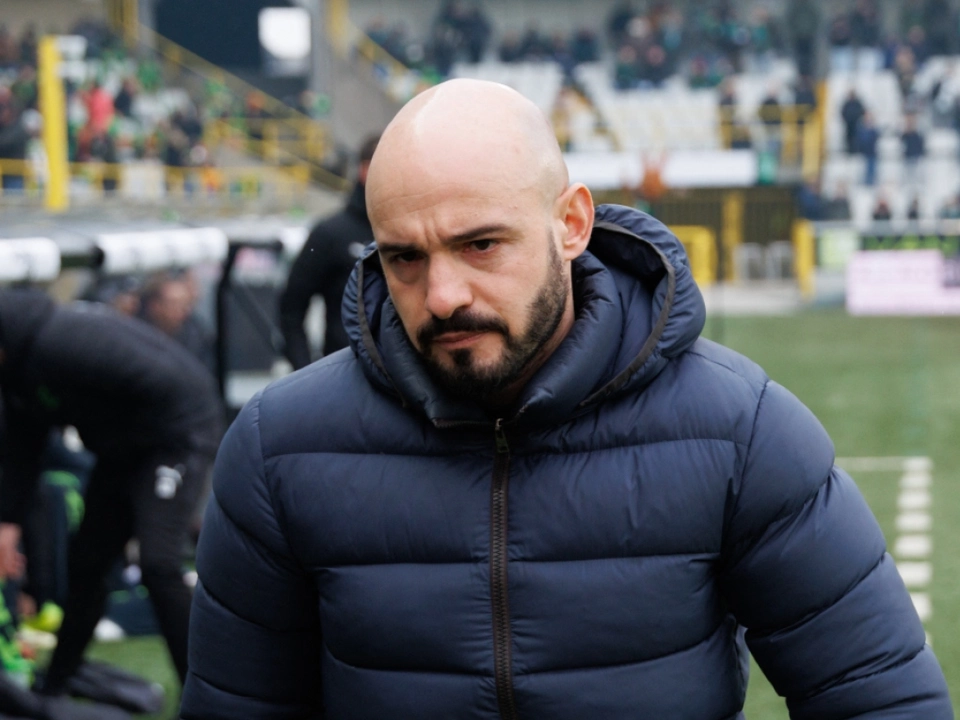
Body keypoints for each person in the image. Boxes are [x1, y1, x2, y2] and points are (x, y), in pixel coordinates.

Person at [181, 79, 952, 719]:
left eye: (481, 244)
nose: (442, 295)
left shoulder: (742, 431)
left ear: (571, 223)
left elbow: (879, 698)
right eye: (404, 258)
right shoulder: (278, 449)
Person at [0, 289, 222, 697]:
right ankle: (57, 684)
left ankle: (208, 694)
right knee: (87, 562)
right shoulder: (21, 365)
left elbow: (167, 384)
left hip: (175, 436)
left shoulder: (55, 346)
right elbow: (25, 443)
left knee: (158, 562)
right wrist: (8, 522)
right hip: (127, 448)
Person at [278, 135, 379, 370]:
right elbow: (291, 309)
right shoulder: (330, 233)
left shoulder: (410, 231)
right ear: (365, 170)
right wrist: (307, 373)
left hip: (407, 382)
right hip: (347, 374)